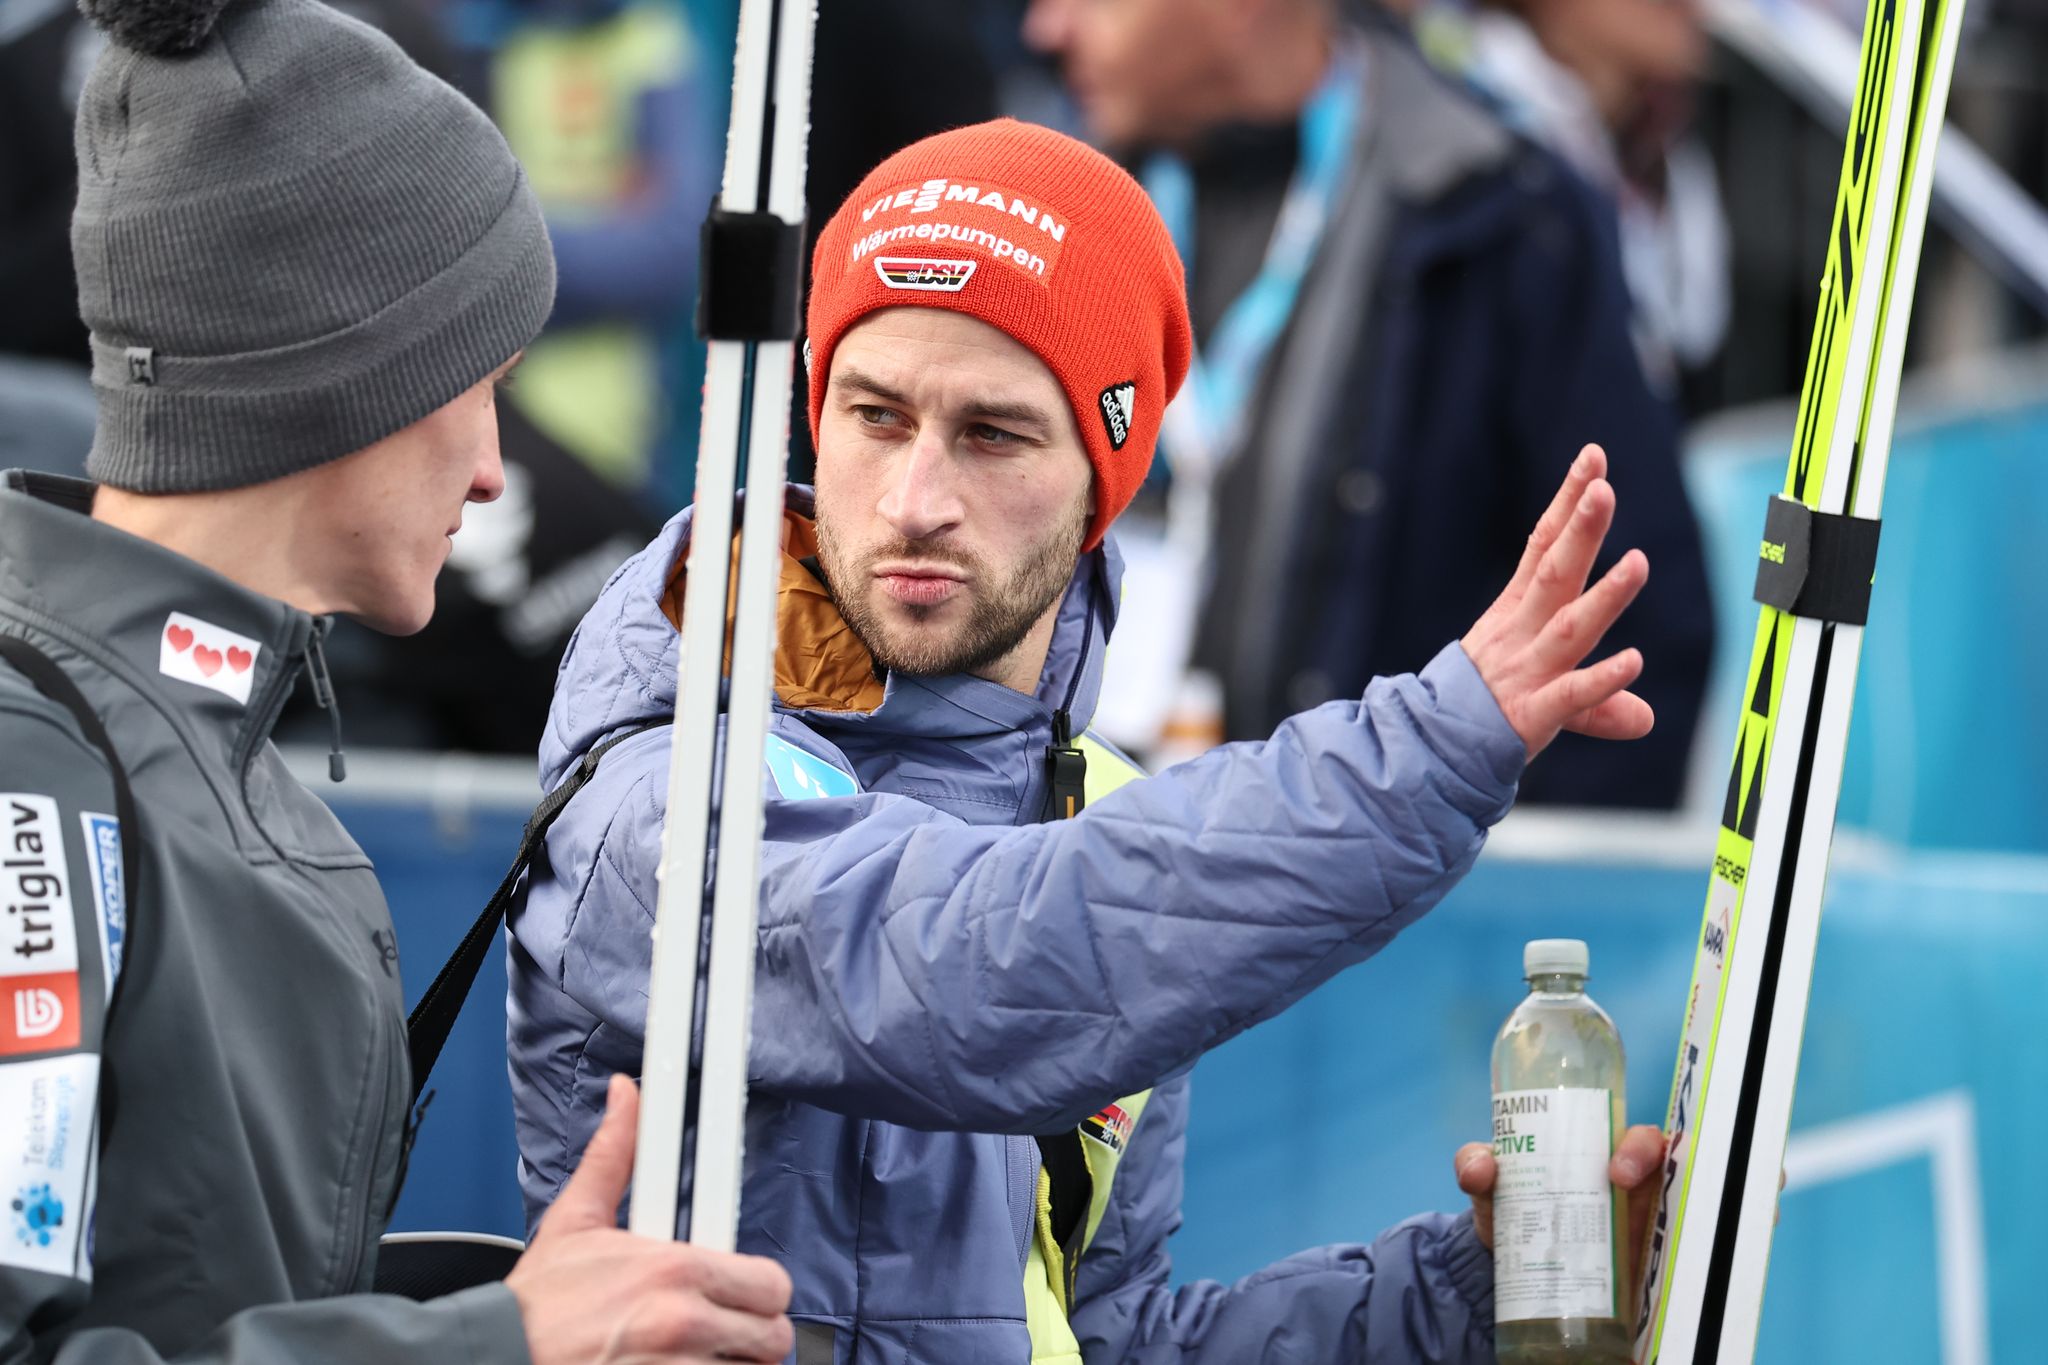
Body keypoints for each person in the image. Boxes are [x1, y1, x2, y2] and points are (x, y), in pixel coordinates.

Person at [509, 119, 1663, 1363]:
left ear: (1103, 478)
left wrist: (1458, 1299)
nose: (913, 501)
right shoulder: (664, 742)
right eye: (874, 415)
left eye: (992, 434)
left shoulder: (1096, 816)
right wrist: (1432, 749)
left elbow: (1101, 1340)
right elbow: (962, 968)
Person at [0, 0, 792, 1359]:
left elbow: (179, 1297)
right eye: (483, 384)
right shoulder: (35, 766)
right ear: (343, 377)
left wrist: (494, 1306)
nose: (495, 469)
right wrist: (493, 1344)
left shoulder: (222, 765)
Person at [1021, 0, 1714, 808]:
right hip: (1100, 879)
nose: (1048, 27)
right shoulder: (1049, 211)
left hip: (1379, 913)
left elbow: (1631, 636)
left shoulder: (1503, 220)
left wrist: (1441, 879)